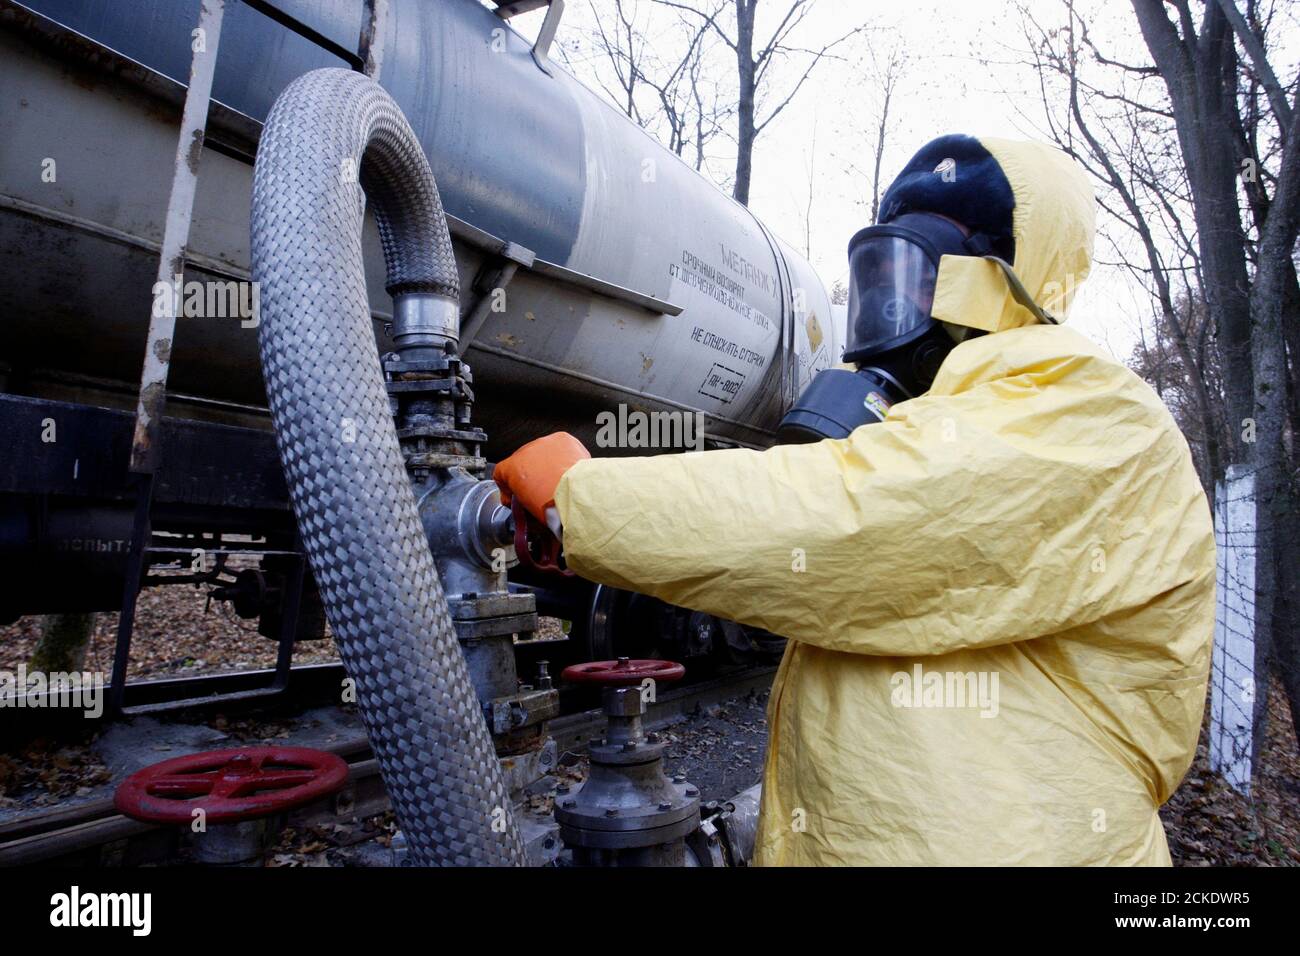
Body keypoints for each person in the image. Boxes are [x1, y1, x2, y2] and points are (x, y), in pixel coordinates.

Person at [493, 134, 1216, 866]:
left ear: (996, 283)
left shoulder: (1091, 416)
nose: (888, 314)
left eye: (913, 278)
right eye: (877, 280)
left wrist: (582, 499)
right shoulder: (965, 421)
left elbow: (850, 516)